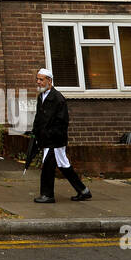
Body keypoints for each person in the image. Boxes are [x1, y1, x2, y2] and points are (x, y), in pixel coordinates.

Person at [31, 67, 92, 203]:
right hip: (48, 139)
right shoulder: (41, 96)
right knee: (64, 166)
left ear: (49, 81)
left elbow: (62, 122)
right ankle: (83, 190)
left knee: (48, 166)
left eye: (41, 79)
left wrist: (49, 134)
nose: (38, 82)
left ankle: (47, 195)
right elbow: (39, 117)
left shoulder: (58, 98)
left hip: (54, 140)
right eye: (37, 79)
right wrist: (35, 131)